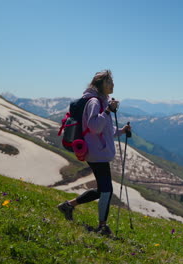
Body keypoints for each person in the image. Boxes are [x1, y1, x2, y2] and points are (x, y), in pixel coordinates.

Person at [57, 70, 131, 236]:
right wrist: (108, 111)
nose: (112, 85)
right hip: (97, 153)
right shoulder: (94, 102)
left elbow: (103, 129)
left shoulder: (100, 101)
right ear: (101, 84)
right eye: (109, 82)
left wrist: (121, 131)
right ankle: (102, 227)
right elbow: (94, 126)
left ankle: (68, 206)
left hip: (97, 151)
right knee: (107, 190)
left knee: (101, 190)